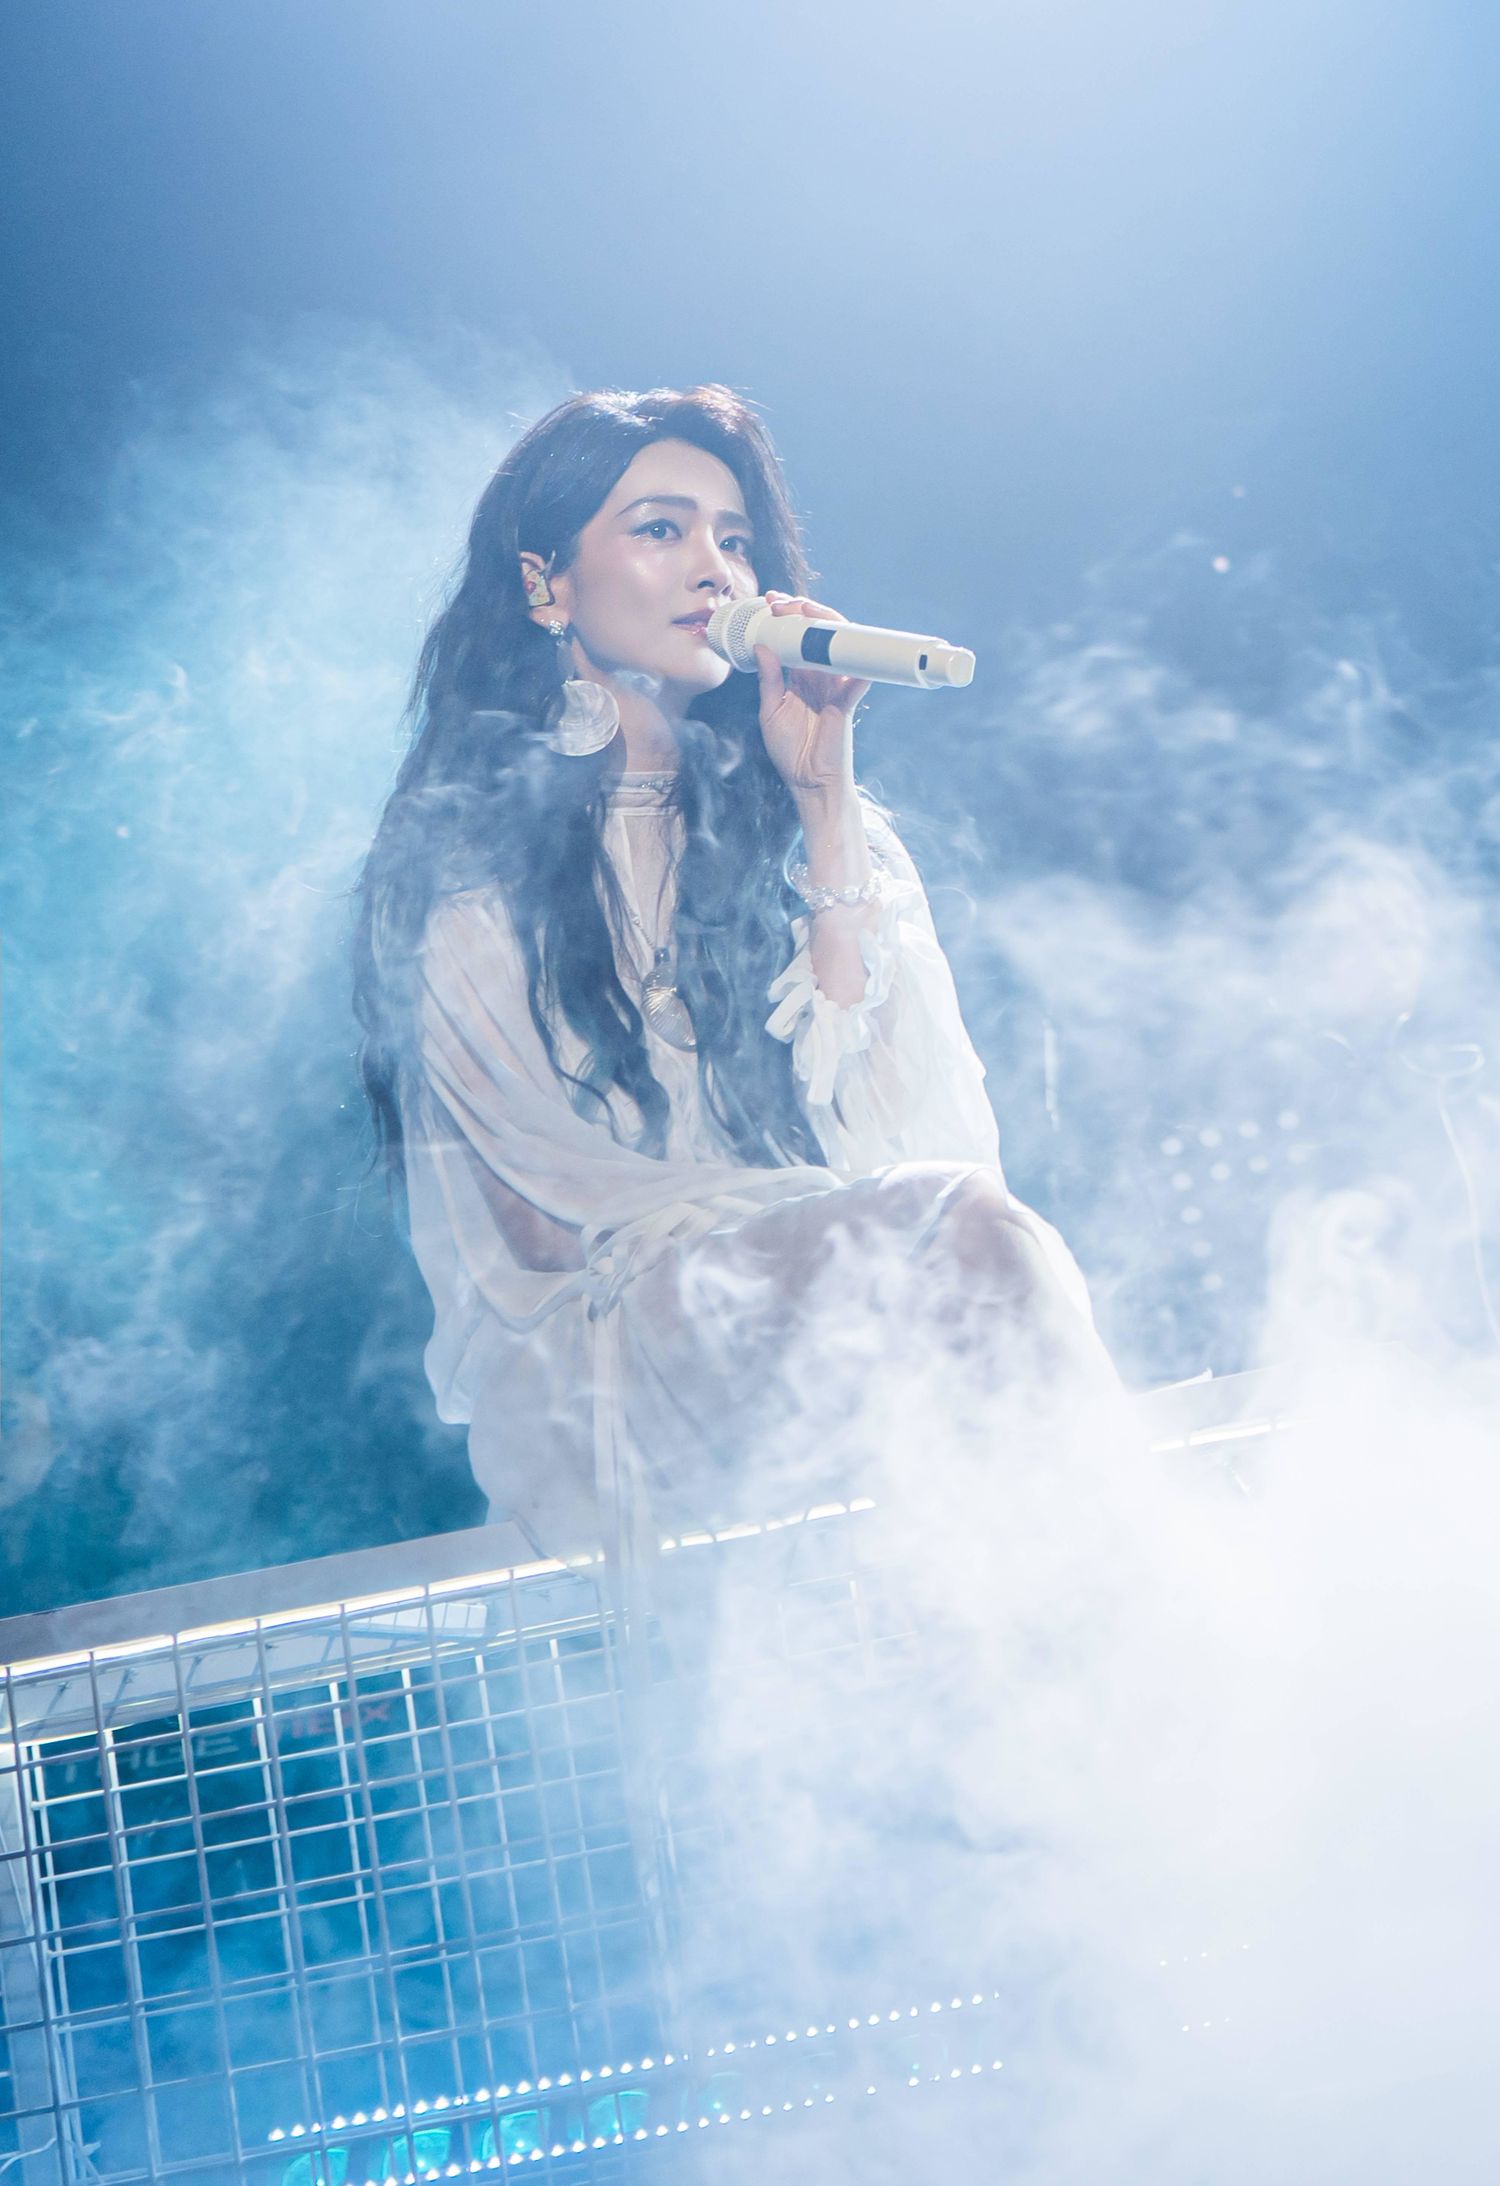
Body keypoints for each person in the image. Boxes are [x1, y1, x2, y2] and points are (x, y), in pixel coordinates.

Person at [353, 384, 1114, 1574]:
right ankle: (1139, 1617)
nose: (715, 569)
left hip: (825, 1311)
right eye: (662, 529)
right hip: (601, 1361)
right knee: (958, 1231)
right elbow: (541, 1223)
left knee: (977, 1240)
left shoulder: (825, 832)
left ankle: (1100, 1625)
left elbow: (906, 1140)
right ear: (546, 584)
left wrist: (824, 803)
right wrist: (807, 1242)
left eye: (736, 538)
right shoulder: (469, 859)